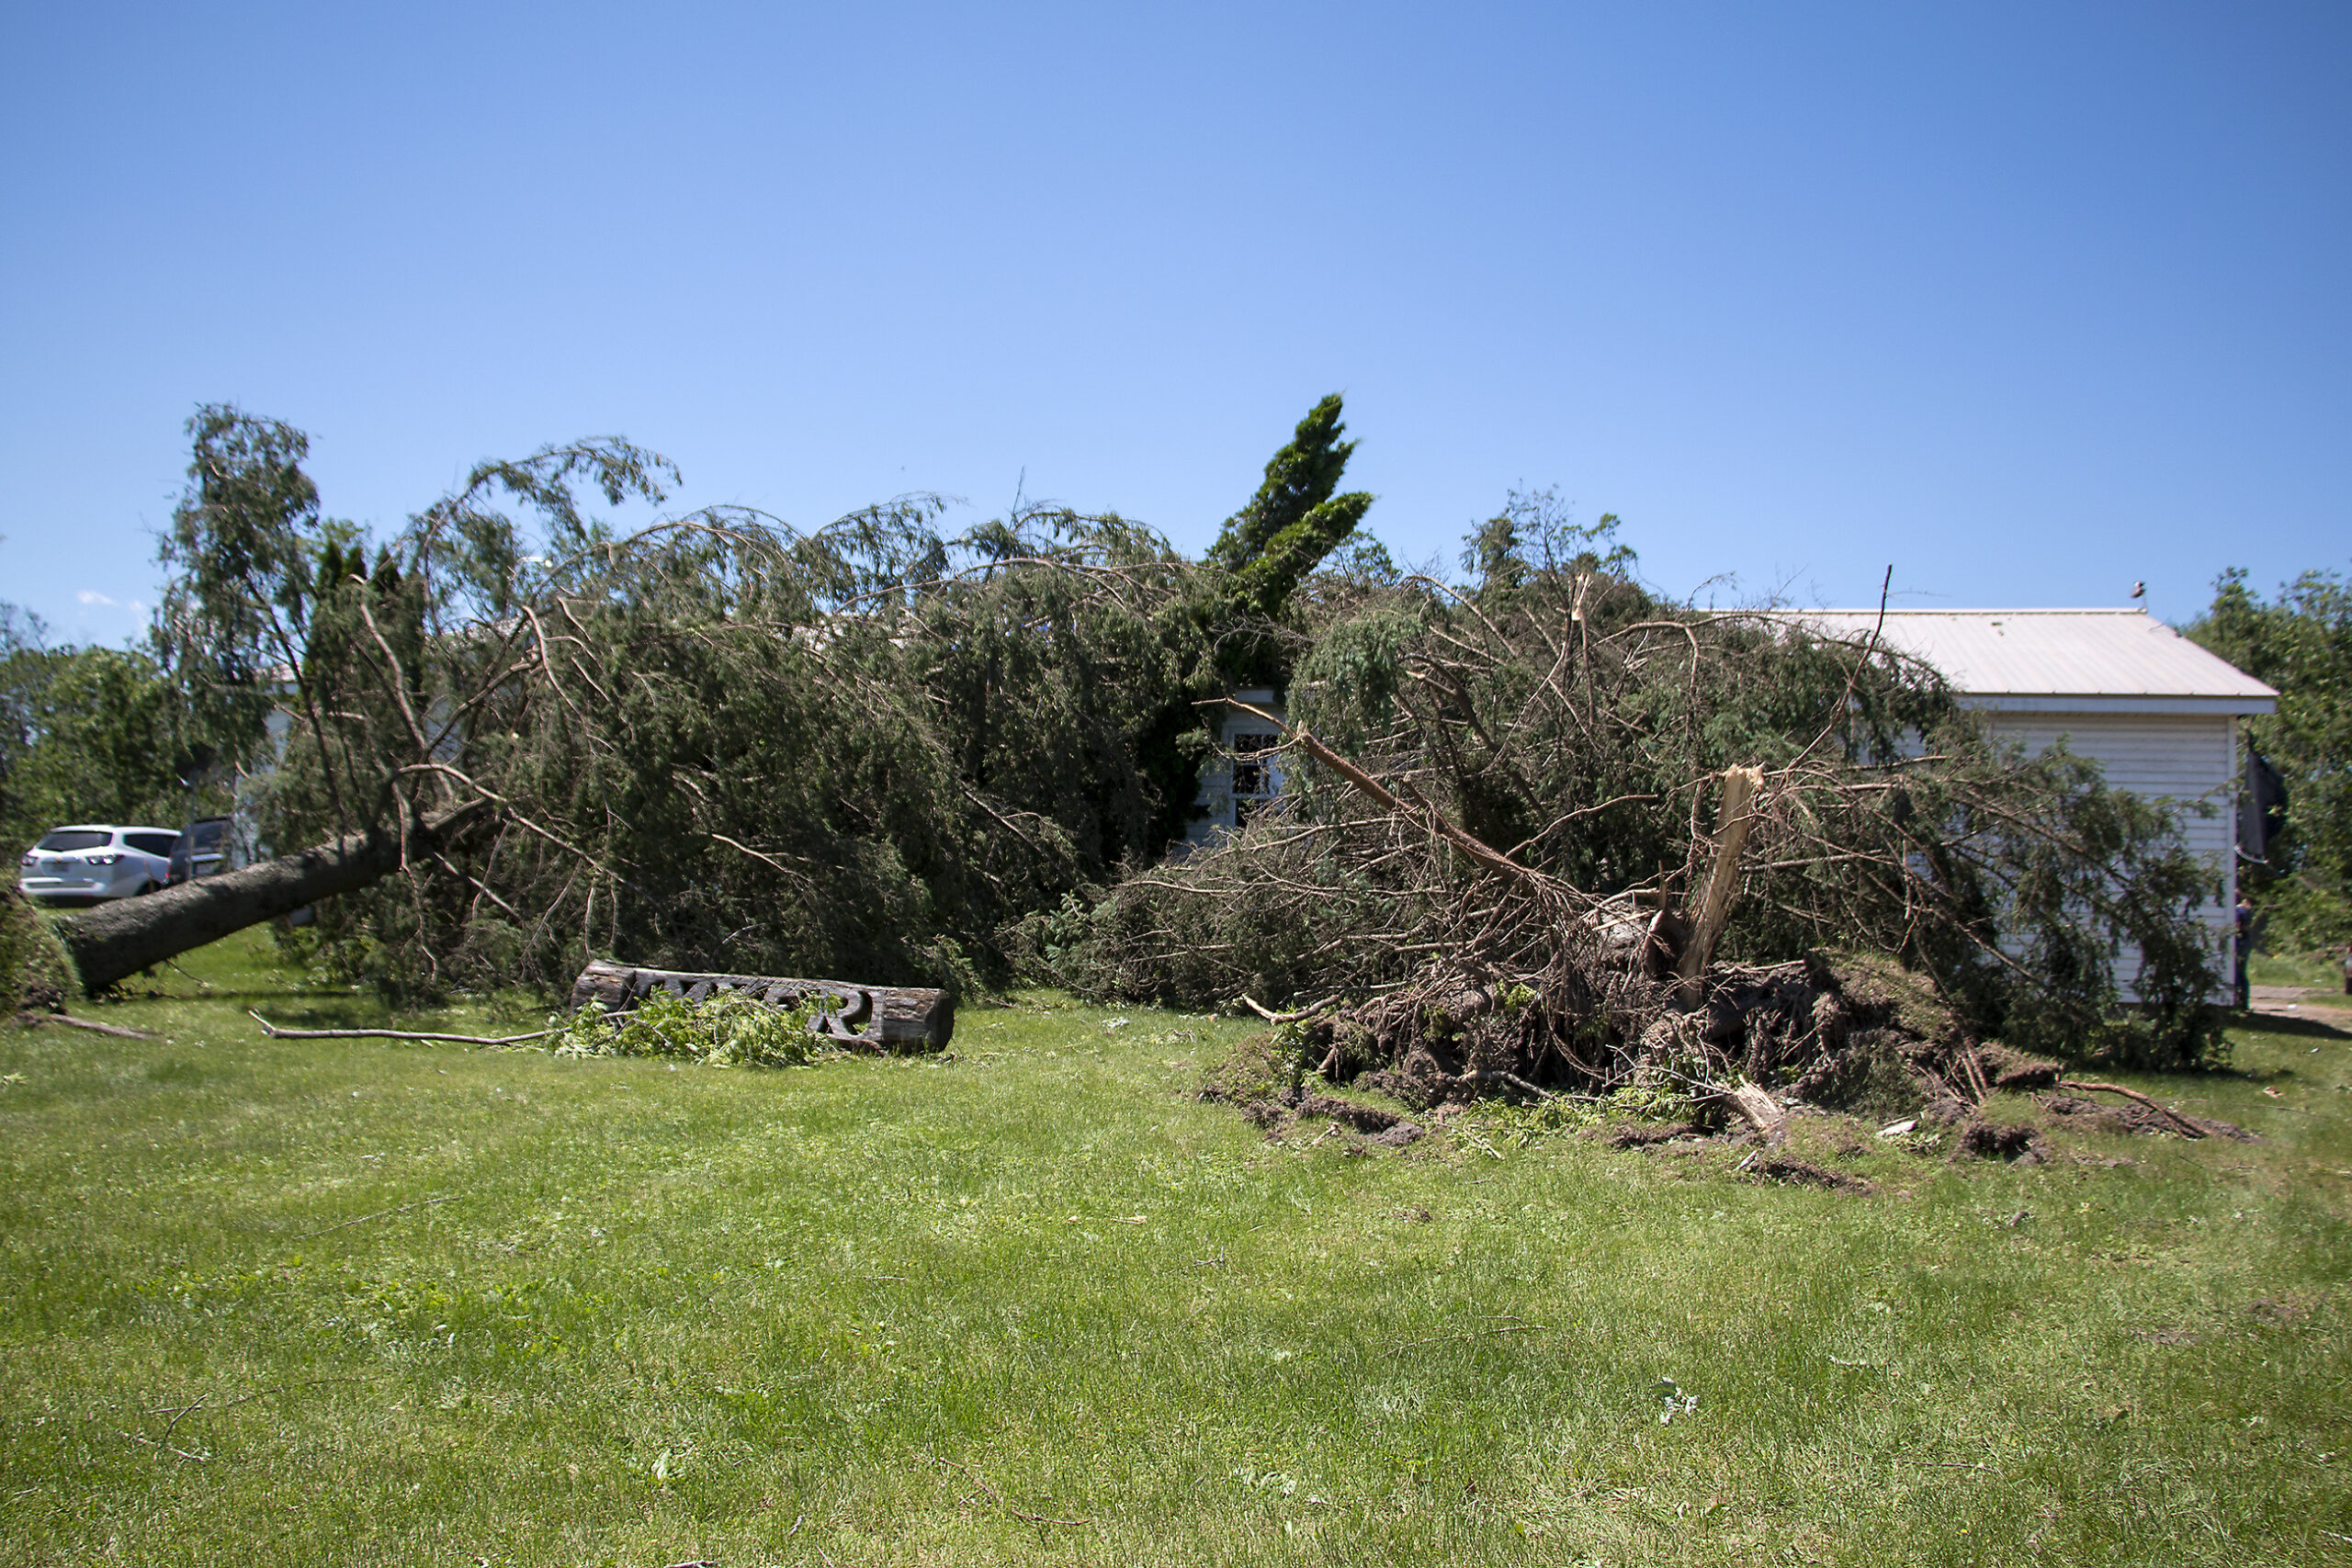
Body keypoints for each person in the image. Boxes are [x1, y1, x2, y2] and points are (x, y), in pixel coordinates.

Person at [2233, 893, 2256, 1010]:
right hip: (2246, 943)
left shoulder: (2238, 911)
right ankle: (2244, 1000)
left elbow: (2236, 926)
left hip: (2239, 943)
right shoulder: (2249, 913)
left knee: (2236, 971)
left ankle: (2237, 999)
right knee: (2242, 971)